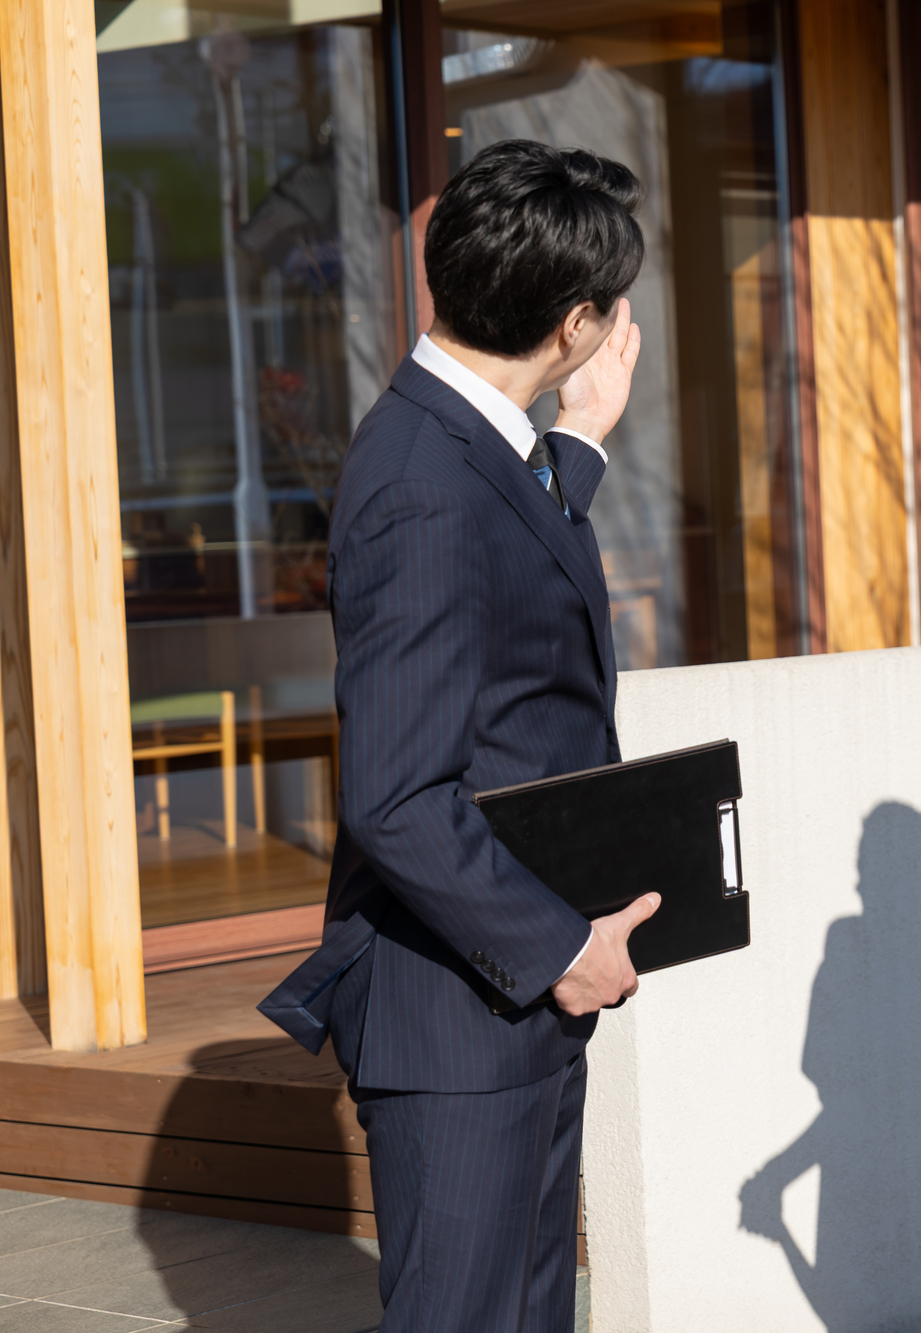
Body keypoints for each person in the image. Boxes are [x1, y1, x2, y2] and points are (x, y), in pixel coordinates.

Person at [258, 140, 661, 1333]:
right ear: (575, 323)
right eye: (608, 308)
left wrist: (578, 446)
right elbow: (395, 797)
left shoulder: (467, 437)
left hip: (502, 1004)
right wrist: (559, 949)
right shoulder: (423, 480)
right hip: (462, 1010)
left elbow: (504, 564)